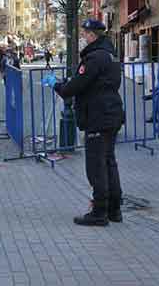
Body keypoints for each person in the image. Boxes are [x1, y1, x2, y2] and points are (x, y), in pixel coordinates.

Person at [53, 19, 124, 226]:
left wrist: (57, 85)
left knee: (96, 165)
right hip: (111, 114)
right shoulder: (110, 55)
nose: (83, 37)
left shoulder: (94, 58)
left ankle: (99, 212)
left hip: (98, 116)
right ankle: (114, 209)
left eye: (85, 34)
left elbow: (74, 87)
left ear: (93, 35)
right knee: (109, 161)